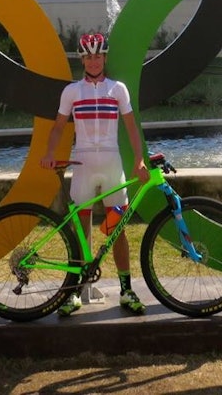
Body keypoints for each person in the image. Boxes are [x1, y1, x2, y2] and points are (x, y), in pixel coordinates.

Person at [40, 32, 150, 317]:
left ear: (104, 57)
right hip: (83, 165)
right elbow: (58, 127)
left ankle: (126, 290)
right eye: (88, 56)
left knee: (117, 229)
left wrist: (139, 161)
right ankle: (76, 291)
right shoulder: (72, 91)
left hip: (112, 163)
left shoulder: (118, 89)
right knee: (82, 229)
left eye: (98, 55)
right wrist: (50, 153)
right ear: (82, 59)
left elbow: (131, 128)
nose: (93, 61)